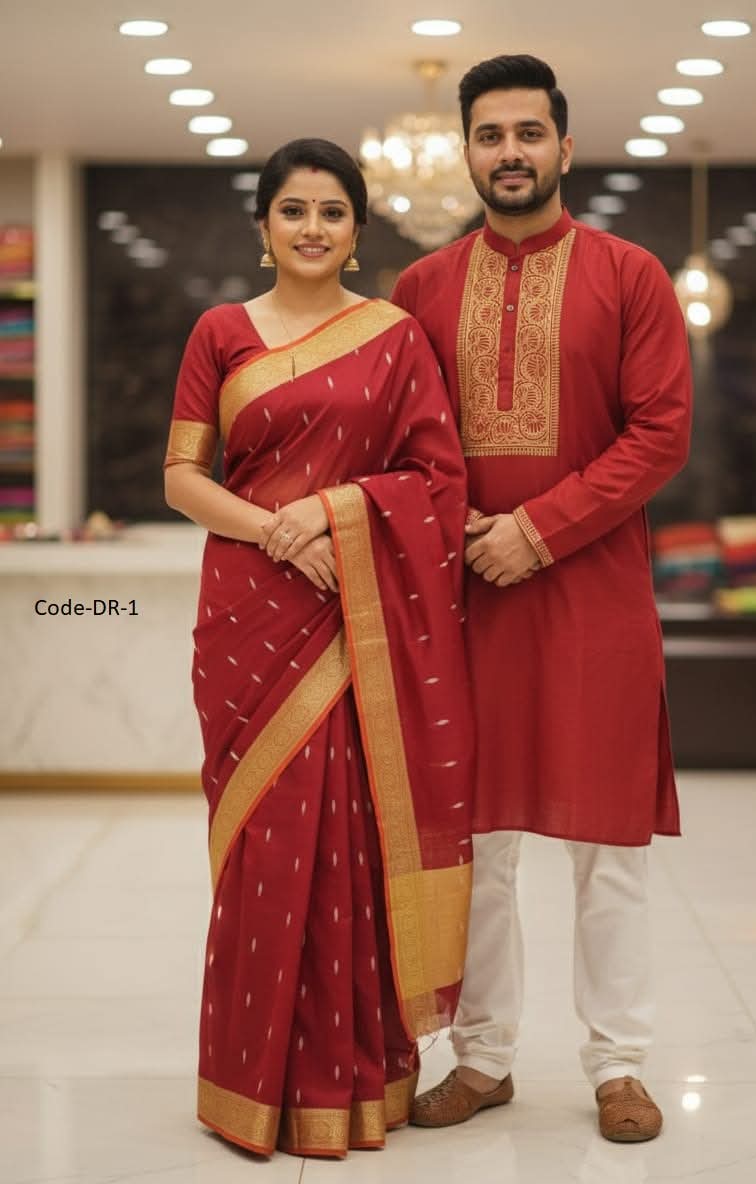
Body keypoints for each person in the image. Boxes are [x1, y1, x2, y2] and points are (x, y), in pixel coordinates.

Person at [391, 56, 692, 1143]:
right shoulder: (421, 290)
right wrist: (464, 532)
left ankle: (619, 1064)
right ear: (467, 151)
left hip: (596, 599)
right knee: (476, 845)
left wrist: (539, 528)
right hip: (466, 602)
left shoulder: (631, 275)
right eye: (490, 134)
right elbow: (400, 443)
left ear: (565, 146)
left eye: (528, 133)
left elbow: (660, 434)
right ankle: (483, 1056)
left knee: (608, 848)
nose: (509, 152)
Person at [163, 138, 474, 1160]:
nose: (311, 227)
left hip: (354, 609)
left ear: (358, 229)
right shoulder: (221, 331)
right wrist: (276, 529)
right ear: (263, 226)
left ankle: (350, 1081)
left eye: (332, 211)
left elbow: (437, 480)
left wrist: (335, 513)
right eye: (292, 209)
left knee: (351, 835)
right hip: (248, 613)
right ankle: (248, 1080)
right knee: (265, 840)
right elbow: (181, 476)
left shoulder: (395, 336)